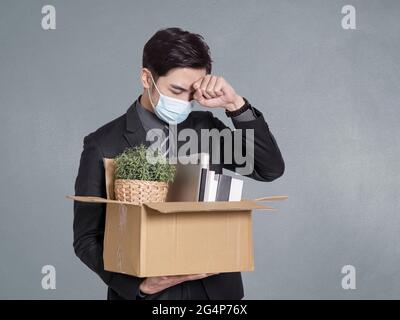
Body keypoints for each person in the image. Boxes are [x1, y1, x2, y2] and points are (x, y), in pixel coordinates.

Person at [73, 27, 285, 300]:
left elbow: (269, 169)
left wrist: (236, 105)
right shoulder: (102, 143)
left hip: (216, 295)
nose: (185, 101)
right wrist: (140, 285)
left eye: (192, 93)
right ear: (146, 78)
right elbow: (86, 238)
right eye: (176, 89)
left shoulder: (205, 127)